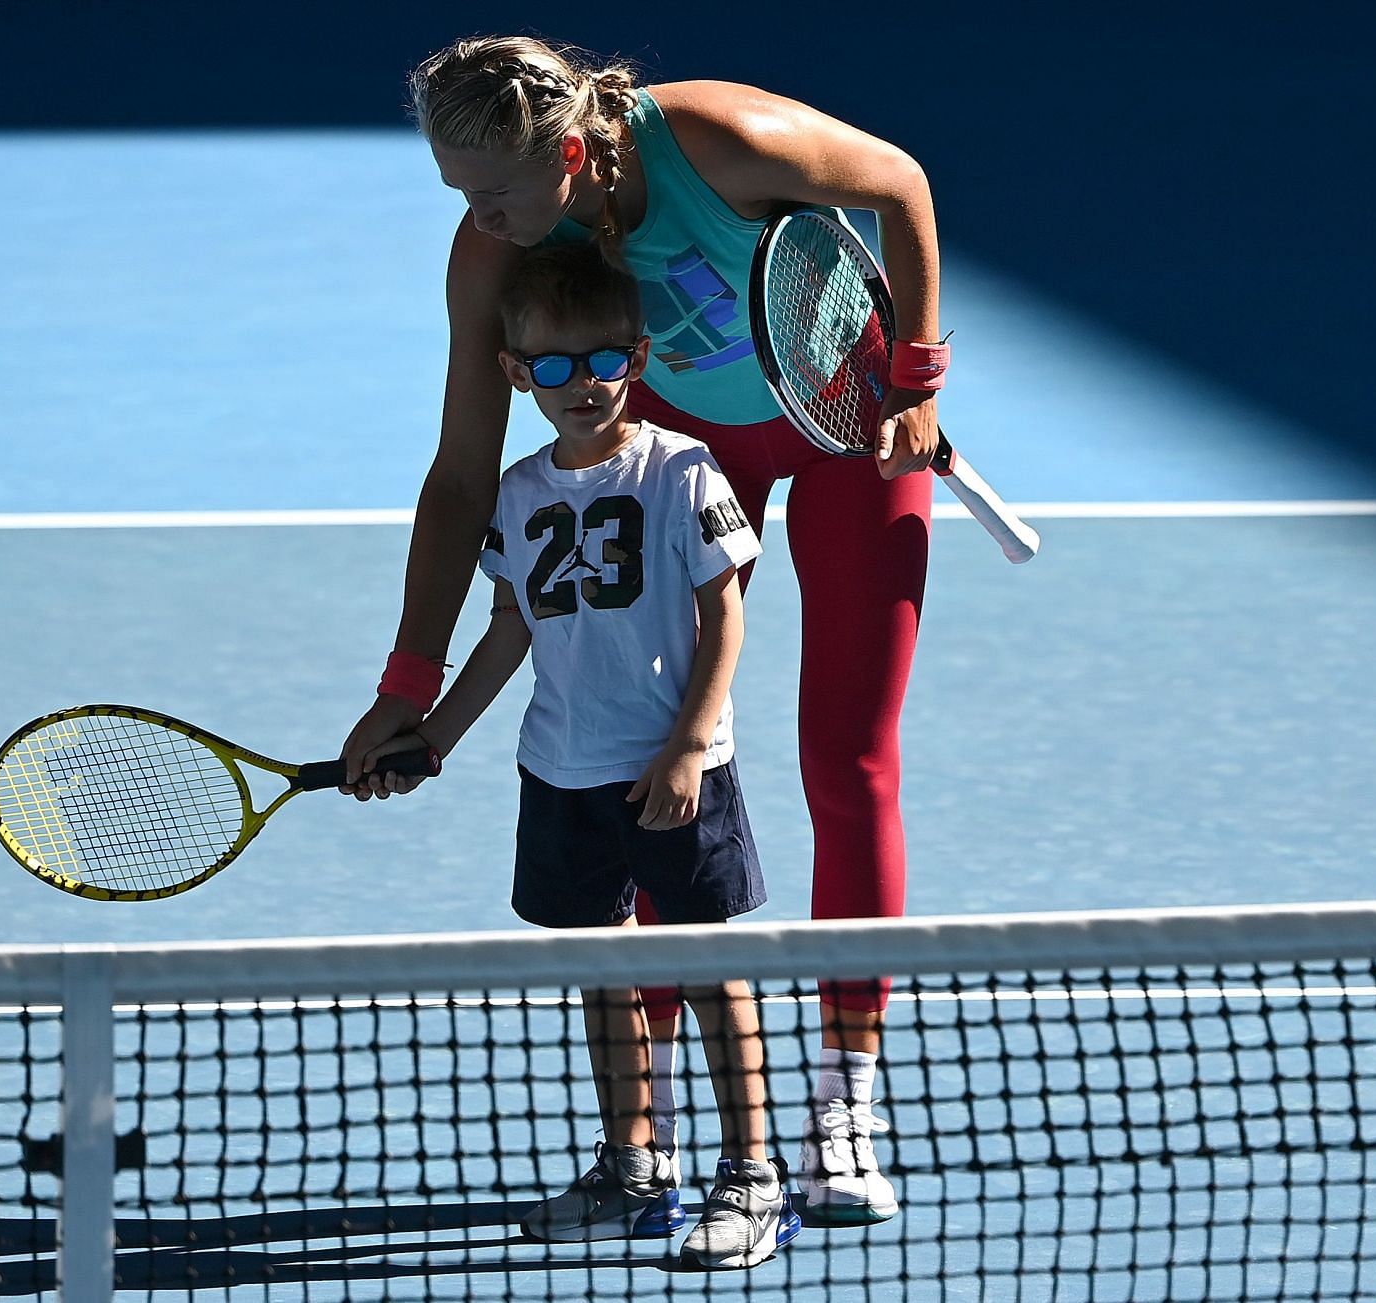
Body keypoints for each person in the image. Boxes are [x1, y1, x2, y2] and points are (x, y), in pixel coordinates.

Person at [346, 34, 943, 1225]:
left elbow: (900, 183)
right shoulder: (491, 260)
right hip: (689, 448)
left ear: (572, 152)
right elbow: (462, 481)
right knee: (635, 762)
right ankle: (648, 1138)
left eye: (496, 190)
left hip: (846, 424)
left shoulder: (724, 140)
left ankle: (842, 1103)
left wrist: (918, 378)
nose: (480, 219)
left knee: (848, 756)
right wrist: (409, 682)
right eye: (458, 191)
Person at [364, 243, 799, 1269]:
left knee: (707, 970)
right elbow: (509, 630)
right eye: (552, 367)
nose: (581, 384)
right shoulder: (515, 496)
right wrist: (433, 736)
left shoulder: (682, 470)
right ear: (516, 373)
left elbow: (724, 617)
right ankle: (635, 1165)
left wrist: (691, 742)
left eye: (602, 360)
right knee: (602, 970)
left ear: (637, 357)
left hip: (673, 769)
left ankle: (752, 1176)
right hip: (560, 773)